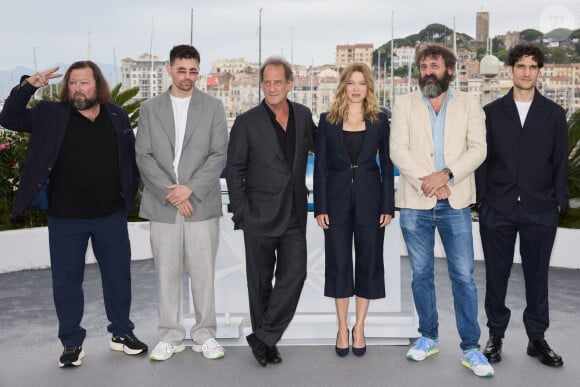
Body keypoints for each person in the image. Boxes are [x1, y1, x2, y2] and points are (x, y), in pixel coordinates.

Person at [0, 61, 148, 368]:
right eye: (73, 83)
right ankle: (71, 343)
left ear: (98, 86)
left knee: (118, 278)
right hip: (66, 217)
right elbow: (9, 118)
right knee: (66, 282)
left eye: (84, 83)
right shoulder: (50, 114)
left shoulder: (116, 114)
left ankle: (122, 334)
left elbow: (128, 160)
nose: (78, 89)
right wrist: (29, 85)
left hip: (110, 214)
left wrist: (126, 196)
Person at [390, 44, 494, 377]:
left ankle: (471, 348)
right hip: (416, 202)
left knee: (463, 276)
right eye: (423, 66)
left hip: (456, 201)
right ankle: (428, 336)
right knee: (420, 275)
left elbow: (478, 149)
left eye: (434, 65)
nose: (427, 71)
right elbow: (398, 149)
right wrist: (429, 181)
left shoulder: (469, 104)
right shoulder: (404, 103)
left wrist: (446, 175)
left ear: (449, 69)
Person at [476, 44, 568, 368]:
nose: (526, 72)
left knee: (537, 277)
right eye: (520, 66)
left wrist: (557, 203)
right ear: (510, 70)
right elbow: (481, 160)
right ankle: (495, 336)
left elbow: (559, 163)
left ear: (539, 71)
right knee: (496, 277)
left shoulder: (555, 115)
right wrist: (483, 200)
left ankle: (536, 338)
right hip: (497, 208)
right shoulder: (490, 113)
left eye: (532, 66)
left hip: (541, 210)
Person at [135, 44, 228, 361]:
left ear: (198, 71)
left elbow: (218, 155)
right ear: (169, 69)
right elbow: (143, 155)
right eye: (181, 69)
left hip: (200, 203)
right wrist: (171, 194)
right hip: (163, 205)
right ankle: (170, 336)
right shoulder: (149, 109)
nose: (187, 76)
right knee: (167, 273)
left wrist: (189, 190)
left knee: (203, 274)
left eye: (193, 70)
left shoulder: (214, 107)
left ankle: (205, 334)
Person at [226, 56, 316, 367]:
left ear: (290, 84)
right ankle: (267, 343)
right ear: (261, 85)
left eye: (279, 82)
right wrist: (242, 213)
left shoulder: (304, 116)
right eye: (267, 82)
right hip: (258, 215)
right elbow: (234, 170)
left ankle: (264, 336)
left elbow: (325, 148)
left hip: (294, 213)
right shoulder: (246, 122)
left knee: (295, 274)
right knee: (260, 283)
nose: (273, 87)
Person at [313, 63, 394, 357]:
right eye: (351, 83)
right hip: (334, 204)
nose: (356, 88)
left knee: (369, 263)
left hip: (371, 203)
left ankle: (359, 327)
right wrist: (319, 205)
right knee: (338, 263)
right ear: (343, 87)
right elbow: (320, 166)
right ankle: (341, 327)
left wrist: (388, 205)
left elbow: (387, 164)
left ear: (368, 87)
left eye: (361, 83)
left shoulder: (379, 120)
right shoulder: (327, 121)